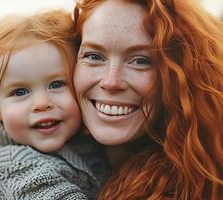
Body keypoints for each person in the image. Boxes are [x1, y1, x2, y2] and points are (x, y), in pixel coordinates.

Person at [0, 10, 108, 200]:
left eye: (56, 84)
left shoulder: (88, 143)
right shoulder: (13, 168)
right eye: (20, 92)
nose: (41, 104)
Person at [73, 0, 223, 199]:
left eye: (141, 61)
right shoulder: (32, 162)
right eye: (93, 56)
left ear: (181, 77)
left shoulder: (198, 186)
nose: (110, 82)